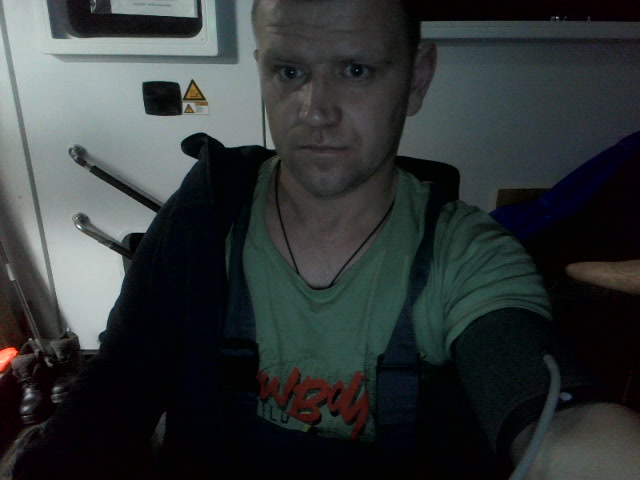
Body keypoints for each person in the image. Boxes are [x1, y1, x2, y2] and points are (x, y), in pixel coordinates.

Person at [11, 1, 640, 479]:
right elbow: (117, 387)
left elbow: (557, 420)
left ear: (417, 79)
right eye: (290, 71)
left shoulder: (469, 255)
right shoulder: (205, 216)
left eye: (356, 70)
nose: (315, 109)